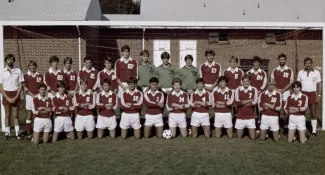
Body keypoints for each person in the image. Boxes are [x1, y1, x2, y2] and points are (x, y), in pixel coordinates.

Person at [0, 54, 24, 139]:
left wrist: (16, 96)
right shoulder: (2, 71)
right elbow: (0, 86)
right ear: (6, 61)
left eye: (12, 59)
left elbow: (21, 85)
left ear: (14, 61)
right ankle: (7, 133)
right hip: (6, 94)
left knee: (16, 115)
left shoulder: (18, 70)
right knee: (7, 115)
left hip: (15, 93)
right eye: (9, 59)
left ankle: (18, 133)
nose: (10, 61)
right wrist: (7, 97)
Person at [297, 57, 322, 137]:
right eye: (306, 63)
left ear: (311, 64)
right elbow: (297, 84)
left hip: (312, 94)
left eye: (309, 63)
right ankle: (302, 128)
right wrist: (298, 95)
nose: (307, 65)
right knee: (301, 112)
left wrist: (319, 95)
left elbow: (319, 84)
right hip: (303, 94)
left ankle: (314, 131)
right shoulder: (301, 72)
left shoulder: (317, 72)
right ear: (304, 64)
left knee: (313, 113)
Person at [23, 60, 43, 139]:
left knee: (37, 114)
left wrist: (37, 95)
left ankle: (37, 131)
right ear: (28, 67)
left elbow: (41, 86)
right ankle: (28, 131)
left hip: (38, 97)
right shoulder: (26, 76)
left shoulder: (39, 75)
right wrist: (32, 95)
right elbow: (25, 87)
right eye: (31, 65)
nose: (33, 67)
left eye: (34, 65)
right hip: (30, 97)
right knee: (29, 114)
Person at [235, 75, 258, 140]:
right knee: (239, 137)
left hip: (250, 116)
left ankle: (258, 131)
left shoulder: (254, 89)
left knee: (253, 138)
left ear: (249, 81)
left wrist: (243, 103)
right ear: (241, 82)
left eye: (247, 81)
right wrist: (249, 100)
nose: (245, 83)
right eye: (244, 81)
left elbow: (255, 101)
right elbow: (237, 102)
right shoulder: (238, 89)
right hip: (240, 116)